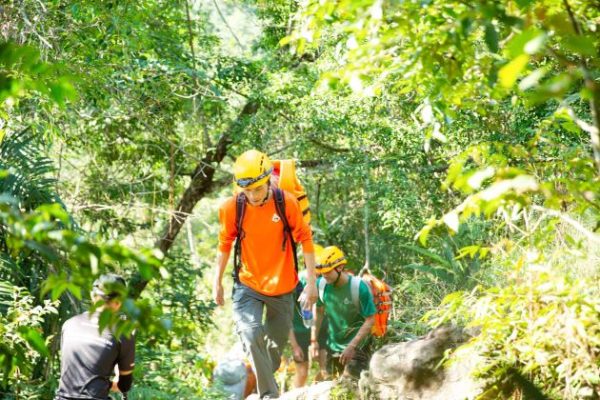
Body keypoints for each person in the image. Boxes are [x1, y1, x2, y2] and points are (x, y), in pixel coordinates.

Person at [213, 149, 318, 399]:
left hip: (282, 287)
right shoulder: (233, 208)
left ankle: (266, 371)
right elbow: (224, 244)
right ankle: (269, 395)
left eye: (257, 189)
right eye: (246, 190)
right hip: (248, 283)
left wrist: (311, 283)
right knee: (250, 333)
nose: (251, 195)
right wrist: (216, 282)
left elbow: (305, 240)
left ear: (268, 180)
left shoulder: (286, 203)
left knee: (273, 352)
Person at [55, 273, 135, 400]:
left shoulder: (69, 324)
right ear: (119, 302)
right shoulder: (123, 332)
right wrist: (115, 380)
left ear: (93, 296)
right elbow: (124, 386)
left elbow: (76, 372)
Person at [310, 246, 375, 378]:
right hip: (333, 347)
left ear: (339, 268)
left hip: (357, 348)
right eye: (322, 272)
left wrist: (352, 346)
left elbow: (370, 319)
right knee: (329, 385)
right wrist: (313, 341)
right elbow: (319, 311)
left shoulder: (359, 287)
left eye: (327, 272)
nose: (324, 275)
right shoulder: (321, 285)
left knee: (349, 385)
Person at [288, 270, 330, 388]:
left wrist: (314, 340)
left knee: (326, 369)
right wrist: (294, 346)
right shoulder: (295, 283)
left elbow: (321, 310)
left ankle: (316, 392)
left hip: (321, 329)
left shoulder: (326, 280)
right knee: (302, 373)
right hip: (299, 333)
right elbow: (285, 317)